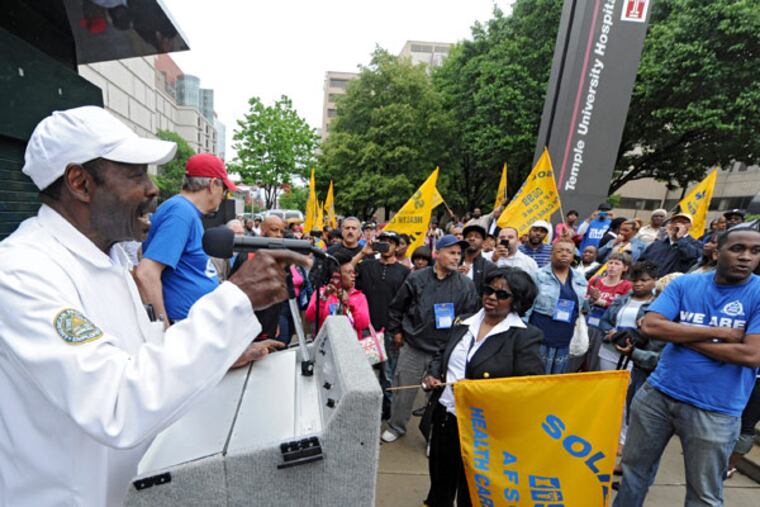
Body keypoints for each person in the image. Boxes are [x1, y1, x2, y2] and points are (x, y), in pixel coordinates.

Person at [0, 106, 308, 505]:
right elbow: (116, 404)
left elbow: (141, 355)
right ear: (80, 182)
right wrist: (234, 302)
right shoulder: (23, 272)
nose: (152, 189)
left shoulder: (112, 258)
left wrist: (223, 352)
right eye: (135, 174)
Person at [614, 224, 760, 506]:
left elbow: (751, 355)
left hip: (716, 409)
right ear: (716, 252)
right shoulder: (686, 284)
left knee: (704, 494)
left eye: (755, 251)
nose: (746, 257)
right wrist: (721, 334)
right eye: (737, 248)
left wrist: (680, 335)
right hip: (658, 394)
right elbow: (651, 326)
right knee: (633, 474)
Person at [422, 269, 544, 507]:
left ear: (517, 301)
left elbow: (529, 386)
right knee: (440, 479)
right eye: (489, 290)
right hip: (446, 416)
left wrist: (481, 391)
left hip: (484, 428)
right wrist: (433, 375)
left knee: (472, 489)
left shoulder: (524, 336)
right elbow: (441, 354)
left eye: (502, 294)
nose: (491, 297)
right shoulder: (462, 321)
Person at [382, 235, 479, 443]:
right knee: (402, 392)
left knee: (438, 398)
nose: (456, 258)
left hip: (445, 352)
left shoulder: (466, 286)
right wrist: (397, 332)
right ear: (437, 254)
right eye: (451, 253)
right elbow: (397, 307)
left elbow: (469, 321)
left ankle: (433, 436)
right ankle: (397, 426)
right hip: (414, 347)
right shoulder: (416, 278)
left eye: (459, 254)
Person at [136, 152, 237, 324]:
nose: (223, 196)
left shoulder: (184, 211)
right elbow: (146, 273)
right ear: (213, 185)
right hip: (181, 326)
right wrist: (164, 331)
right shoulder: (180, 212)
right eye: (224, 190)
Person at [355, 231, 411, 419]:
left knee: (387, 374)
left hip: (390, 330)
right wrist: (364, 253)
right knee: (365, 371)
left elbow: (407, 304)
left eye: (390, 243)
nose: (386, 245)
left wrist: (399, 331)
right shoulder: (367, 266)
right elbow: (345, 273)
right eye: (383, 242)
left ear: (397, 247)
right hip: (367, 328)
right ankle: (365, 407)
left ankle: (385, 410)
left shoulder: (404, 272)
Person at [529, 239, 588, 374]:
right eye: (560, 250)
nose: (564, 254)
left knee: (556, 377)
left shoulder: (580, 278)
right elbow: (527, 306)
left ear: (573, 256)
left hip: (564, 334)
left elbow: (579, 306)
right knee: (536, 374)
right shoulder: (538, 275)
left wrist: (590, 300)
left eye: (568, 251)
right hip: (540, 332)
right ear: (552, 253)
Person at [578, 253, 632, 373]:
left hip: (605, 330)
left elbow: (623, 310)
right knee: (577, 358)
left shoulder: (627, 286)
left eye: (617, 264)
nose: (612, 266)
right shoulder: (595, 281)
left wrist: (605, 304)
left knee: (594, 366)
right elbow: (583, 304)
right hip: (587, 324)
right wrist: (591, 300)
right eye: (610, 263)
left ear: (625, 268)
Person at [305, 253, 370, 339]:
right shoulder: (321, 292)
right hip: (325, 347)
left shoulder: (359, 296)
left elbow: (362, 324)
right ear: (337, 275)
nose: (353, 275)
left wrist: (349, 303)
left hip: (351, 347)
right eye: (349, 272)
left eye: (354, 272)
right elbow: (310, 317)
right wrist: (324, 298)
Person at [638, 212, 702, 277]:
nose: (677, 224)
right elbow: (641, 261)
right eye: (674, 222)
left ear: (690, 226)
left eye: (683, 222)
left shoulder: (696, 244)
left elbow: (691, 256)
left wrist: (680, 238)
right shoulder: (657, 244)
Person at [459, 221, 498, 296]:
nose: (472, 238)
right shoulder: (453, 263)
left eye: (477, 237)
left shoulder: (489, 268)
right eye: (469, 236)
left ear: (483, 242)